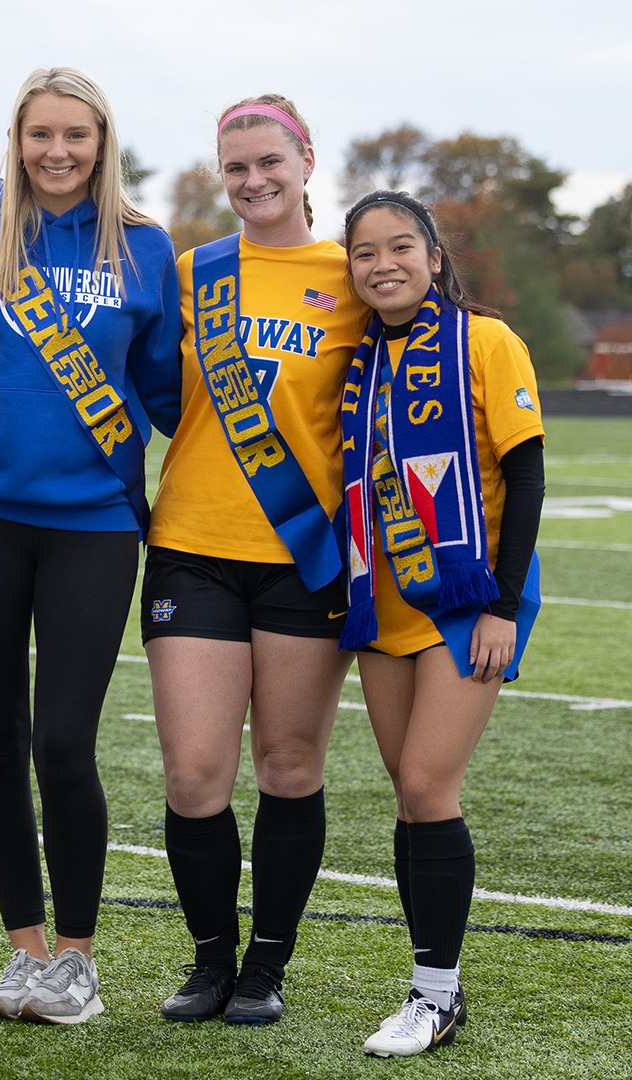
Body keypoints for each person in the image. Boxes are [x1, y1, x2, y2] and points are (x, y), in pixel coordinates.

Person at [0, 66, 180, 1025]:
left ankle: (77, 956)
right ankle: (25, 954)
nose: (59, 152)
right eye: (42, 135)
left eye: (77, 135)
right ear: (17, 139)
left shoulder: (146, 248)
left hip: (95, 527)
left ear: (103, 141)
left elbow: (168, 396)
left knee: (65, 742)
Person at [144, 94, 368, 1025]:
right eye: (235, 168)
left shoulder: (354, 275)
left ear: (308, 160)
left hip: (304, 556)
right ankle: (208, 961)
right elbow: (159, 392)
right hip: (193, 546)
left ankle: (266, 965)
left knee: (287, 765)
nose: (253, 181)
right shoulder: (195, 273)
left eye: (270, 162)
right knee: (195, 773)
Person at [336, 190, 543, 1058]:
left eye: (399, 247)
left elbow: (526, 476)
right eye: (364, 253)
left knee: (428, 785)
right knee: (410, 799)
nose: (383, 264)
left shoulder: (485, 339)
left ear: (433, 254)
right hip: (384, 603)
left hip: (466, 600)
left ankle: (436, 997)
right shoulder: (361, 362)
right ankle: (433, 990)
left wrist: (502, 604)